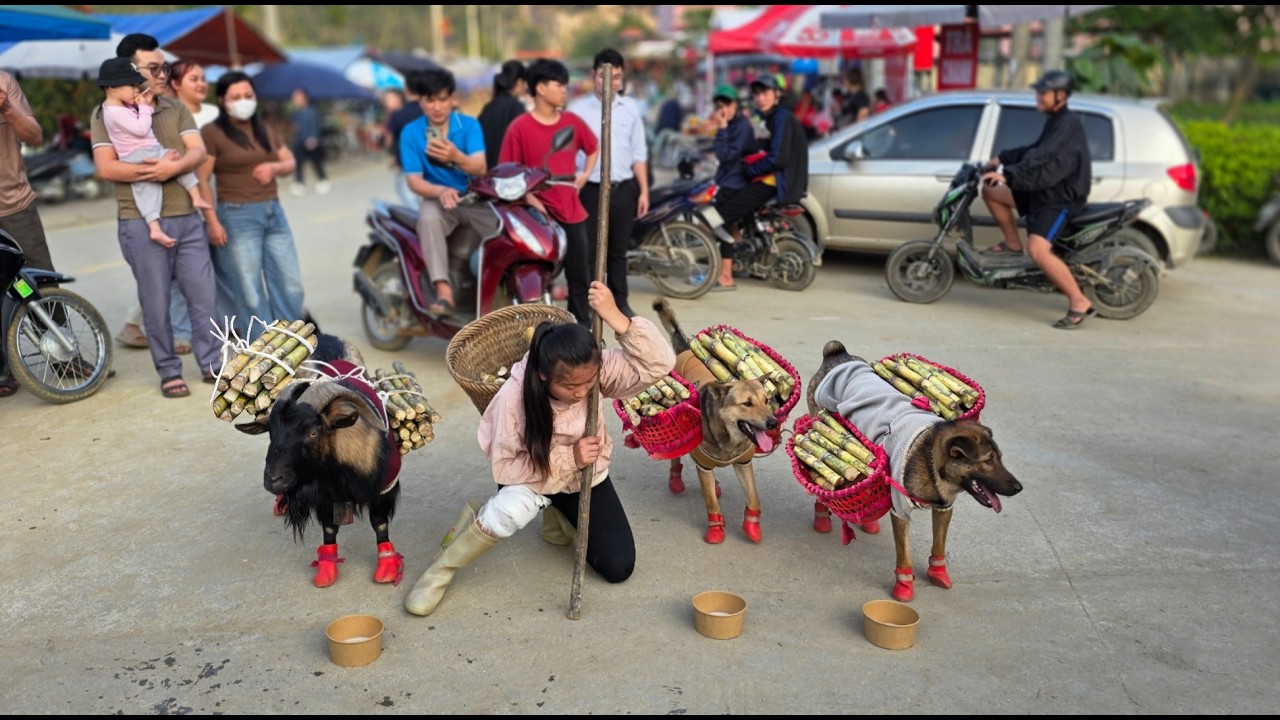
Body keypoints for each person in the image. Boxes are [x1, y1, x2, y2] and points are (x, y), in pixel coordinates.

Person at [404, 281, 676, 617]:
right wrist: (569, 457)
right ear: (544, 375)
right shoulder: (513, 400)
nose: (581, 392)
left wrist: (617, 318)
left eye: (588, 383)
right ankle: (441, 569)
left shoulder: (593, 371)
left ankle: (557, 512)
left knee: (618, 566)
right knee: (511, 512)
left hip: (583, 475)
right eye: (570, 386)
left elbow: (659, 364)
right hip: (532, 475)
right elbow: (506, 468)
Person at [91, 33, 221, 398]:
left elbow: (196, 151)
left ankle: (212, 364)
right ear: (129, 72)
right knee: (156, 302)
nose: (162, 73)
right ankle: (168, 371)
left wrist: (172, 169)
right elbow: (106, 168)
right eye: (153, 68)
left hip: (188, 216)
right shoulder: (106, 113)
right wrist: (157, 172)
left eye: (163, 66)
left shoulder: (174, 108)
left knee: (203, 297)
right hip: (140, 221)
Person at [980, 70, 1094, 330]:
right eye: (1038, 93)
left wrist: (1010, 174)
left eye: (1043, 93)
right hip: (1044, 188)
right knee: (990, 190)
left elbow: (1043, 157)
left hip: (1060, 197)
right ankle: (1011, 242)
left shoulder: (1068, 123)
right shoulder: (1056, 120)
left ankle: (1078, 301)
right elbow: (1034, 150)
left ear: (1061, 96)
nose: (1038, 98)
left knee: (1037, 249)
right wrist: (1003, 158)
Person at [197, 71, 306, 340]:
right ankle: (264, 349)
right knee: (249, 289)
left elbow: (289, 162)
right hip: (236, 216)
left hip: (273, 212)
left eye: (248, 95)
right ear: (222, 100)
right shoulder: (212, 132)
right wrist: (212, 221)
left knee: (290, 284)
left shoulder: (265, 128)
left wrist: (274, 167)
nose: (243, 101)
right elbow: (201, 178)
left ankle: (293, 344)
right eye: (236, 97)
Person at [498, 59, 598, 326]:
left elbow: (593, 147)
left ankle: (581, 329)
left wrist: (585, 174)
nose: (565, 90)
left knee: (581, 274)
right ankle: (538, 331)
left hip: (571, 207)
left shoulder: (572, 122)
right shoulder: (519, 127)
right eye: (559, 85)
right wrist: (530, 198)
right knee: (536, 274)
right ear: (540, 88)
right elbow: (508, 171)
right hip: (535, 210)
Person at [399, 67, 494, 317]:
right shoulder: (411, 132)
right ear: (420, 101)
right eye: (430, 100)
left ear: (453, 99)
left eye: (443, 99)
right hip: (437, 198)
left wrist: (455, 156)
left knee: (504, 226)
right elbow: (413, 180)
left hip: (473, 197)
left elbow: (480, 166)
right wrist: (440, 189)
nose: (437, 107)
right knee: (428, 219)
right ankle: (444, 291)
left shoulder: (469, 126)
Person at [567, 48, 649, 319]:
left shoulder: (631, 108)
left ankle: (620, 303)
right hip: (589, 190)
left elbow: (639, 152)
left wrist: (643, 190)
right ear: (594, 76)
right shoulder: (577, 111)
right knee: (588, 252)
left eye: (616, 77)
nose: (611, 82)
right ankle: (587, 308)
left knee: (618, 252)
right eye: (605, 76)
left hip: (623, 189)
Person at [96, 58, 212, 249]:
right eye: (132, 86)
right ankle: (154, 227)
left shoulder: (121, 106)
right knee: (148, 190)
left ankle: (195, 196)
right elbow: (141, 128)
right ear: (112, 88)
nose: (136, 90)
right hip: (137, 154)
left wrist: (143, 104)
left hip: (150, 148)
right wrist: (144, 108)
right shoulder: (113, 112)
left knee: (178, 161)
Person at [712, 75, 809, 289]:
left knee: (722, 216)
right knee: (736, 209)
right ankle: (740, 263)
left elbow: (778, 158)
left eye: (765, 93)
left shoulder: (781, 117)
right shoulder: (773, 117)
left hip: (775, 182)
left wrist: (750, 170)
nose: (761, 98)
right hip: (776, 179)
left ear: (777, 94)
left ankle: (726, 276)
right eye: (757, 94)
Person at [0, 70, 58, 397]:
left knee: (37, 279)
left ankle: (64, 355)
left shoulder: (4, 83)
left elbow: (34, 136)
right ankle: (2, 370)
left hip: (14, 205)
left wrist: (7, 109)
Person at [706, 83, 759, 292]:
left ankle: (726, 275)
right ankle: (735, 262)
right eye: (719, 104)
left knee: (718, 221)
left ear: (736, 104)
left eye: (727, 103)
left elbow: (726, 155)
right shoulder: (732, 124)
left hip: (735, 183)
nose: (722, 108)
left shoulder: (741, 126)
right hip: (726, 180)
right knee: (717, 220)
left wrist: (721, 128)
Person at [477, 60, 527, 172]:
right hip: (509, 174)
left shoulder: (488, 108)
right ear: (519, 82)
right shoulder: (516, 107)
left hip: (488, 174)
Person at [384, 79, 424, 207]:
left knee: (407, 192)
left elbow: (389, 139)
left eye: (389, 98)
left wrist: (391, 154)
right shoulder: (430, 109)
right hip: (430, 158)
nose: (386, 102)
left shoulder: (397, 115)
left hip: (408, 161)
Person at [289, 87, 328, 196]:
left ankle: (322, 180)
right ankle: (299, 183)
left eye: (297, 97)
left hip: (311, 141)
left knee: (316, 162)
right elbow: (294, 127)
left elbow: (315, 126)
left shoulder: (312, 111)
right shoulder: (296, 114)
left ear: (304, 98)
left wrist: (313, 137)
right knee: (298, 163)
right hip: (299, 141)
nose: (295, 100)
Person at [169, 60, 219, 128]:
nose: (202, 84)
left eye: (203, 79)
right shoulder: (170, 119)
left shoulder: (215, 112)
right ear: (175, 84)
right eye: (194, 79)